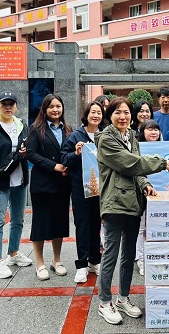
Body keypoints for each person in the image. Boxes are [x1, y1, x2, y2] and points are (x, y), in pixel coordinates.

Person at [95, 97, 169, 325]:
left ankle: (123, 297)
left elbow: (136, 168)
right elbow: (129, 163)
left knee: (129, 253)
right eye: (118, 112)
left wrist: (145, 184)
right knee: (111, 253)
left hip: (134, 203)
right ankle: (104, 301)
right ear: (110, 115)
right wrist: (163, 163)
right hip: (114, 202)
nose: (123, 117)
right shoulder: (106, 139)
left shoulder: (130, 136)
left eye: (126, 112)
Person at [0, 91, 32, 278]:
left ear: (16, 106)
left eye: (11, 104)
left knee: (18, 220)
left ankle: (13, 253)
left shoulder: (22, 125)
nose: (8, 107)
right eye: (4, 104)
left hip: (19, 181)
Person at [26, 94, 72, 281]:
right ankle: (40, 263)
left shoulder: (68, 129)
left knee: (59, 222)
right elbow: (30, 153)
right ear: (44, 109)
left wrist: (70, 165)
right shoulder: (36, 129)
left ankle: (57, 260)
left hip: (62, 183)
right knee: (41, 223)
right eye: (51, 107)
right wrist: (53, 166)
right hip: (43, 183)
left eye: (58, 106)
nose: (55, 110)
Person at [61, 101, 105, 283]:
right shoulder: (75, 136)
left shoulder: (105, 135)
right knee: (83, 225)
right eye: (93, 112)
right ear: (86, 115)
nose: (96, 115)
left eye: (99, 113)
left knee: (96, 223)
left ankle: (95, 260)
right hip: (81, 187)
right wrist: (76, 154)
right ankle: (81, 264)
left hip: (101, 187)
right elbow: (64, 158)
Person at [134, 118, 162, 275]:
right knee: (141, 228)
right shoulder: (137, 149)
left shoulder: (166, 148)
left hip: (161, 195)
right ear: (142, 132)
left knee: (156, 227)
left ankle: (155, 257)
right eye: (149, 129)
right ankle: (141, 259)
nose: (153, 132)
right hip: (141, 193)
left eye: (156, 129)